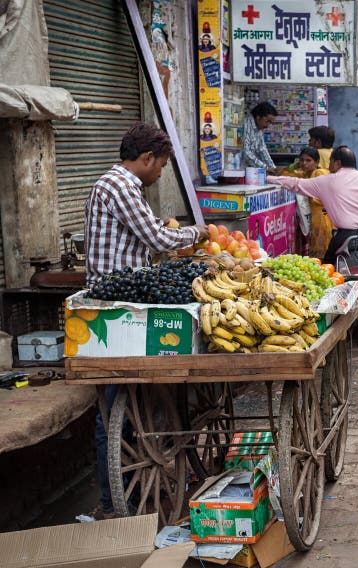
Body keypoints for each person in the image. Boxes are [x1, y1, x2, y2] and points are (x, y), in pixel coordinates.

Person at [85, 122, 208, 518]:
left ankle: (132, 496)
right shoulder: (121, 187)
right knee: (114, 415)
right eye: (160, 166)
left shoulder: (120, 185)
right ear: (147, 158)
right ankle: (114, 504)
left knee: (125, 410)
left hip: (127, 299)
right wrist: (197, 234)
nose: (159, 175)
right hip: (116, 306)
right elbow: (158, 239)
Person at [266, 146, 358, 264]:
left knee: (327, 270)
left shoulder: (325, 181)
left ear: (337, 163)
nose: (329, 165)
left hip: (345, 237)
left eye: (330, 161)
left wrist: (268, 178)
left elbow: (296, 184)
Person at [282, 146, 332, 258]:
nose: (304, 163)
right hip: (313, 218)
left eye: (308, 160)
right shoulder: (305, 174)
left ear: (317, 162)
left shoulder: (320, 173)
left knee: (322, 253)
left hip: (322, 218)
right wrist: (294, 166)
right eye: (302, 160)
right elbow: (285, 175)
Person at [243, 102, 278, 174]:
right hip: (241, 169)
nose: (268, 125)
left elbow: (262, 149)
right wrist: (266, 168)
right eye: (267, 121)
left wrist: (273, 167)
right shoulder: (246, 125)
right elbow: (246, 152)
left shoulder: (258, 128)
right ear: (258, 117)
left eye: (270, 123)